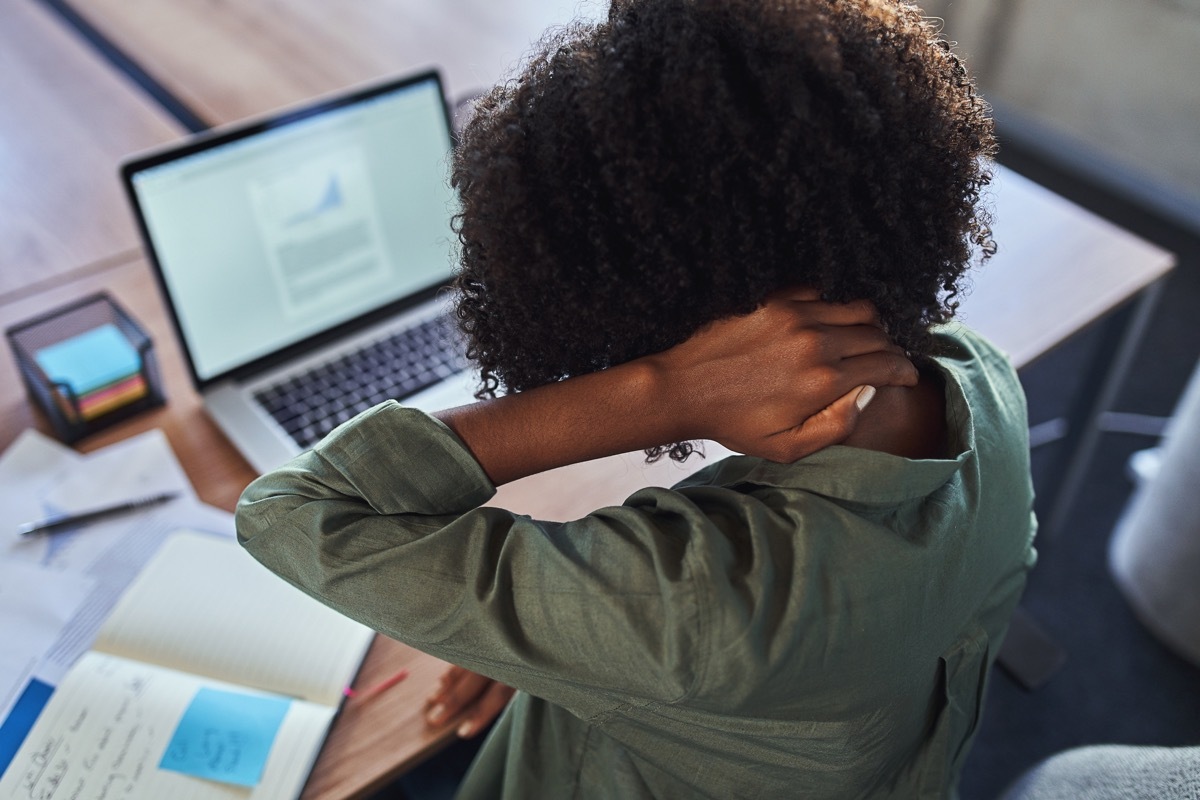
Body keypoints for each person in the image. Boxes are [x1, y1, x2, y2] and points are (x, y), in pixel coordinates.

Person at [235, 0, 1037, 797]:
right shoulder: (979, 380)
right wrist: (571, 648)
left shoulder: (686, 608)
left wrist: (672, 393)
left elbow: (294, 509)